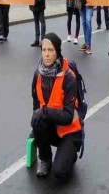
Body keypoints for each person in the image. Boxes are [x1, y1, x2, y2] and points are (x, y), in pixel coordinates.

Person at [31, 33, 81, 179]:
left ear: (58, 51)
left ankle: (70, 154)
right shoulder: (37, 74)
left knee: (59, 173)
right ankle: (45, 159)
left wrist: (43, 113)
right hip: (52, 127)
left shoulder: (68, 78)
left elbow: (67, 117)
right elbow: (36, 103)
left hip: (70, 131)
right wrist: (37, 128)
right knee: (37, 119)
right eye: (44, 50)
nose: (46, 54)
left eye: (50, 50)